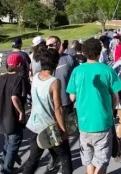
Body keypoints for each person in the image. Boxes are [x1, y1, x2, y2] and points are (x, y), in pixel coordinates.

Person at [67, 38, 121, 174]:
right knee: (101, 161)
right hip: (103, 121)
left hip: (84, 122)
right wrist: (111, 109)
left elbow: (71, 97)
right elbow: (116, 96)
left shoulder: (77, 71)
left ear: (84, 53)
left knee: (89, 160)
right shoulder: (108, 70)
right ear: (99, 52)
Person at [23, 47, 73, 174]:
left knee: (33, 159)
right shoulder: (54, 82)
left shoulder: (35, 77)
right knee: (65, 155)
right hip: (50, 126)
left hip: (35, 124)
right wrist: (63, 131)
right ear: (55, 63)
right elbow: (57, 108)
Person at [45, 36, 76, 171]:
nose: (48, 48)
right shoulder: (45, 61)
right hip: (50, 105)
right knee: (50, 137)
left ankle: (65, 167)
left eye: (51, 45)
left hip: (65, 103)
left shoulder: (69, 58)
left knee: (64, 137)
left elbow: (76, 77)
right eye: (47, 46)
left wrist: (74, 94)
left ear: (58, 44)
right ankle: (55, 156)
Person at [0, 53, 26, 174]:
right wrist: (21, 112)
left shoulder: (2, 77)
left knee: (8, 143)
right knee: (14, 143)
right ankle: (6, 170)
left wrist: (2, 108)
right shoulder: (19, 78)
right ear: (18, 65)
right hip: (13, 118)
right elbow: (14, 97)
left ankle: (5, 166)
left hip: (2, 116)